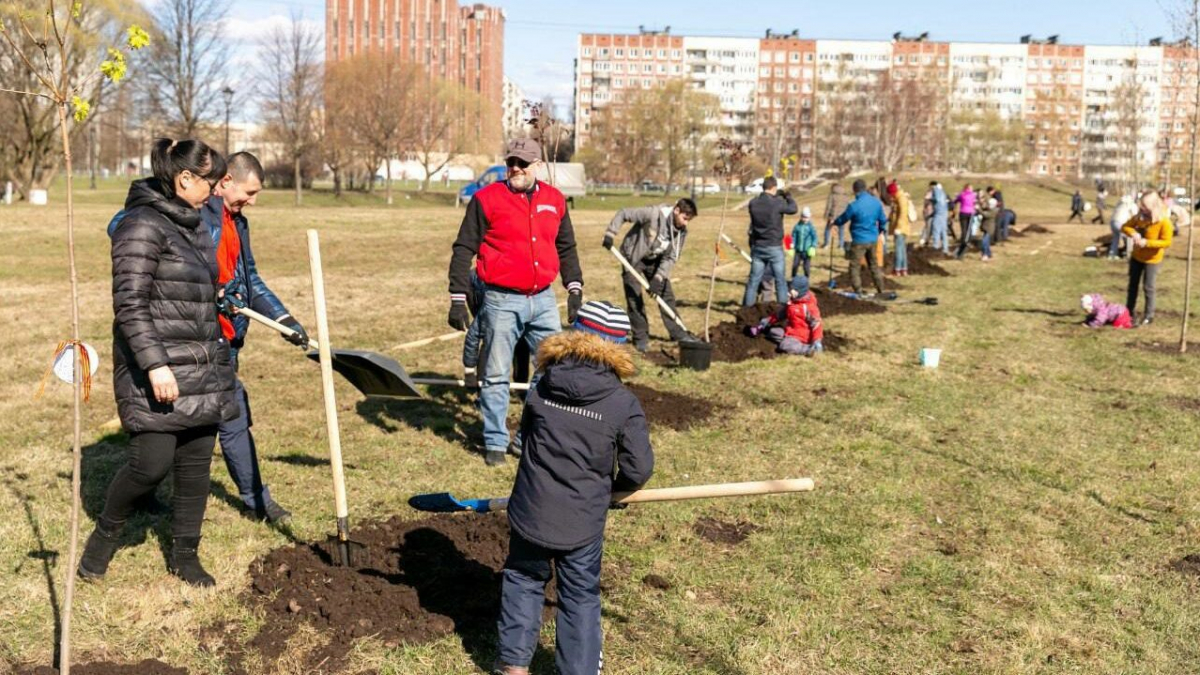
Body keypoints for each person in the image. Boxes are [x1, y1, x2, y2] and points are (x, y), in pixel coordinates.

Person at [79, 138, 238, 587]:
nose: (216, 188)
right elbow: (130, 303)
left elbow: (182, 287)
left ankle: (185, 555)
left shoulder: (190, 222)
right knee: (150, 465)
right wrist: (155, 365)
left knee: (195, 465)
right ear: (184, 178)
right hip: (159, 367)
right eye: (211, 180)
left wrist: (215, 297)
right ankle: (103, 539)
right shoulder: (141, 225)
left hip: (200, 362)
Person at [494, 300, 653, 675]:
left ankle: (513, 667)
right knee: (580, 595)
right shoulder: (621, 403)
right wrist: (617, 490)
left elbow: (523, 443)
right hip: (582, 522)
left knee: (523, 578)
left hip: (530, 509)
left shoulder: (541, 384)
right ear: (617, 349)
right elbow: (639, 466)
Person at [448, 138, 584, 467]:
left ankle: (525, 437)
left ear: (537, 165)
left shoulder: (555, 200)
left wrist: (575, 288)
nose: (515, 169)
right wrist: (456, 297)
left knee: (552, 368)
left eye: (523, 163)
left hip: (543, 299)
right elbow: (463, 247)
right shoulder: (486, 199)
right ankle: (495, 441)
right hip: (500, 300)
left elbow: (566, 247)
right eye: (511, 162)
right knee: (495, 374)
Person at [197, 152, 306, 524]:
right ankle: (256, 500)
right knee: (215, 421)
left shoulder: (237, 222)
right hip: (196, 340)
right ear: (225, 181)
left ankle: (256, 499)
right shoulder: (195, 214)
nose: (253, 201)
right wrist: (212, 293)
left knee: (229, 418)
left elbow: (251, 278)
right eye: (250, 191)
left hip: (227, 340)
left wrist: (284, 319)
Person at [602, 198, 697, 352]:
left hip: (655, 259)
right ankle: (640, 337)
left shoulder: (681, 232)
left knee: (666, 295)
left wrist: (658, 278)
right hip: (633, 257)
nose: (686, 223)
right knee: (634, 297)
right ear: (676, 210)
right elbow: (624, 213)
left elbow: (671, 257)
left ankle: (678, 332)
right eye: (685, 218)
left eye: (689, 220)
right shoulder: (652, 214)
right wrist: (610, 234)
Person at [742, 176, 797, 306]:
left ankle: (747, 310)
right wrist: (787, 195)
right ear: (774, 187)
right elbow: (793, 208)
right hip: (774, 247)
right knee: (780, 281)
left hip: (758, 246)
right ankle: (782, 309)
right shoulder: (777, 203)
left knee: (753, 281)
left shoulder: (753, 203)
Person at [1121, 191, 1173, 326]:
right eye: (1141, 205)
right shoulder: (1140, 217)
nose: (1142, 208)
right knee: (1132, 285)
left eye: (1144, 206)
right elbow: (1125, 227)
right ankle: (1129, 311)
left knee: (1148, 287)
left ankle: (1149, 315)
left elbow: (1166, 242)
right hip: (1136, 257)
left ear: (1154, 206)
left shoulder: (1164, 222)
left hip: (1152, 260)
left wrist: (1147, 243)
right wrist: (1133, 233)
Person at [833, 179, 889, 297]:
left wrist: (835, 222)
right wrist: (880, 232)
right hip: (873, 240)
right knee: (874, 265)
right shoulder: (876, 203)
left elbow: (843, 218)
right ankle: (881, 289)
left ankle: (858, 290)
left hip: (859, 240)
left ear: (855, 190)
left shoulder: (854, 205)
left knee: (854, 266)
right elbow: (883, 220)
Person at [746, 275, 824, 355]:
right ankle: (790, 341)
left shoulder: (809, 307)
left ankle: (808, 349)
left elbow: (817, 324)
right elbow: (779, 315)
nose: (788, 293)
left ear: (799, 291)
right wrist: (765, 322)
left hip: (803, 336)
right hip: (792, 330)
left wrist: (817, 341)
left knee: (784, 345)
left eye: (791, 290)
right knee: (772, 332)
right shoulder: (792, 303)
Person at [886, 182, 912, 276]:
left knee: (898, 249)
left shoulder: (901, 198)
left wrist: (898, 227)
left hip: (901, 228)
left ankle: (897, 269)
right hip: (901, 227)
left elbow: (903, 214)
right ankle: (903, 269)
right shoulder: (897, 198)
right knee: (902, 249)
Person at [791, 206, 818, 279]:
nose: (805, 219)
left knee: (806, 266)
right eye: (803, 217)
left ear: (809, 217)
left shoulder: (811, 227)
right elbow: (794, 235)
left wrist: (813, 246)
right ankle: (793, 277)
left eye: (806, 217)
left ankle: (807, 278)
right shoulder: (797, 226)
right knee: (795, 265)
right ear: (801, 216)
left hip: (807, 250)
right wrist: (792, 243)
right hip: (798, 250)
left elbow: (814, 237)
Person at [1108, 196, 1137, 260]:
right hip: (1120, 222)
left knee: (1115, 238)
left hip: (1112, 222)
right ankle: (1128, 254)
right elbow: (1135, 214)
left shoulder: (1120, 202)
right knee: (1129, 236)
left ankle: (1112, 254)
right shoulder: (1131, 204)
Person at [822, 182, 850, 249]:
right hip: (842, 216)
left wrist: (826, 215)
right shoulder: (845, 196)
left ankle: (826, 243)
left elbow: (829, 206)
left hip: (833, 215)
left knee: (828, 229)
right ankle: (841, 245)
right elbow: (847, 206)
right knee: (841, 230)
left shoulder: (832, 195)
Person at [929, 181, 950, 253]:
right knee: (944, 231)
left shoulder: (936, 190)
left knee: (936, 230)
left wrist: (930, 199)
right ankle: (945, 248)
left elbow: (937, 199)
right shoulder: (942, 191)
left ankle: (936, 247)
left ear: (932, 186)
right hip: (944, 213)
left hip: (938, 213)